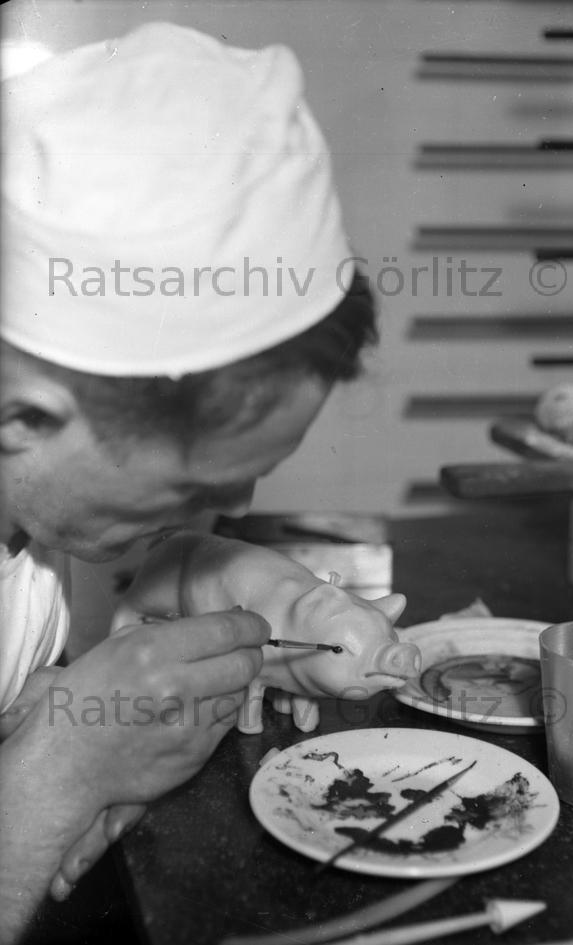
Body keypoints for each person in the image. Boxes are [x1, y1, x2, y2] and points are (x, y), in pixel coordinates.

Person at [0, 22, 376, 943]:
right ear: (22, 416)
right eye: (200, 481)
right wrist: (54, 780)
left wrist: (58, 724)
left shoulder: (39, 503)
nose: (239, 506)